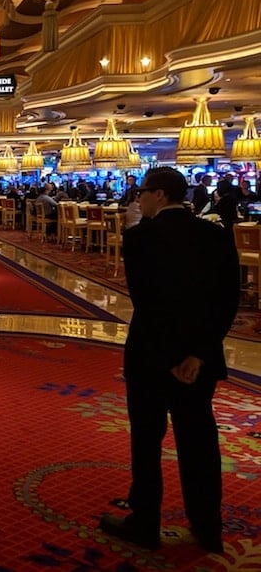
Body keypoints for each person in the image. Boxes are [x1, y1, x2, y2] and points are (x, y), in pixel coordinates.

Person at [99, 167, 239, 554]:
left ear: (159, 195)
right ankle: (208, 527)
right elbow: (229, 299)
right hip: (201, 358)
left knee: (147, 441)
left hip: (151, 356)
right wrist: (197, 353)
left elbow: (148, 301)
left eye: (141, 193)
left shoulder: (141, 236)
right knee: (199, 441)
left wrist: (173, 357)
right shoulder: (215, 234)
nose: (137, 199)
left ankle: (145, 521)